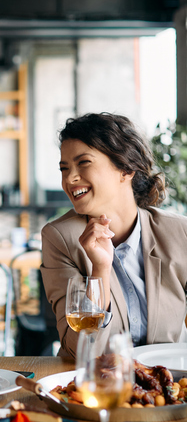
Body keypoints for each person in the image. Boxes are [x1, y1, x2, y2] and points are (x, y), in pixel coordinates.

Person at [41, 112, 187, 359]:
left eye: (83, 163)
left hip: (169, 385)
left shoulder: (178, 232)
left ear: (126, 169)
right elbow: (80, 349)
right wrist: (100, 270)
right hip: (96, 386)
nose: (70, 178)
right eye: (64, 168)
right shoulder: (60, 238)